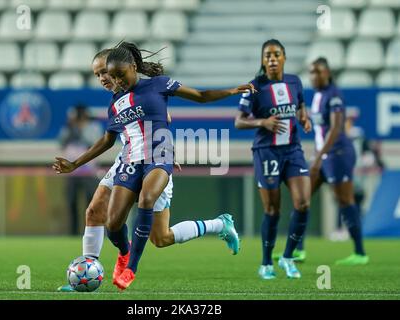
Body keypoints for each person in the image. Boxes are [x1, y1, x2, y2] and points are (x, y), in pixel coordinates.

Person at [54, 42, 254, 290]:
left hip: (158, 158)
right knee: (118, 223)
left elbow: (191, 101)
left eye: (108, 73)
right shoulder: (116, 103)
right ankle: (105, 264)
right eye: (100, 75)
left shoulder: (157, 86)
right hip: (128, 161)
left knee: (153, 220)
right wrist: (74, 164)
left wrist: (233, 91)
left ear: (131, 67)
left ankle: (132, 268)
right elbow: (110, 138)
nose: (106, 79)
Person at [235, 39, 312, 280]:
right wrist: (262, 122)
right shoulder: (254, 87)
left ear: (284, 58)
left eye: (276, 54)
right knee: (272, 210)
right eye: (267, 55)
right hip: (266, 151)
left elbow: (300, 106)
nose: (272, 58)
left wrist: (304, 118)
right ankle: (266, 263)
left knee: (303, 204)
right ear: (262, 60)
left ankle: (288, 257)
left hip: (292, 150)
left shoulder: (294, 81)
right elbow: (238, 121)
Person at [301, 57, 368, 265]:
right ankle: (297, 249)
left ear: (328, 73)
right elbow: (320, 131)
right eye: (312, 72)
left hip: (338, 154)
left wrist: (319, 156)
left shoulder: (334, 95)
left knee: (346, 201)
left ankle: (359, 253)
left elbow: (336, 128)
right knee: (302, 198)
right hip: (323, 155)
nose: (315, 75)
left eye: (319, 71)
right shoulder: (316, 96)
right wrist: (317, 153)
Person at [58, 104, 102, 235]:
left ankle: (90, 231)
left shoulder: (93, 127)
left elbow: (95, 143)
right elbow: (61, 142)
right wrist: (71, 127)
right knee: (72, 204)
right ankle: (73, 233)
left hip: (89, 171)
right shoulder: (68, 127)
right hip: (72, 173)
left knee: (91, 204)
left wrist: (80, 130)